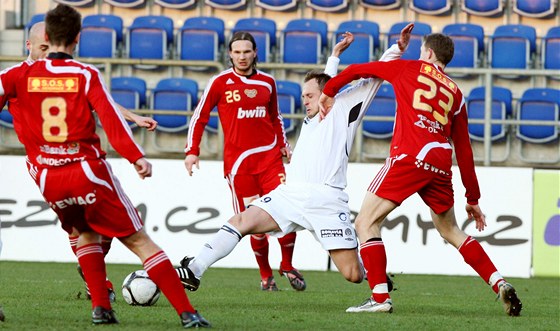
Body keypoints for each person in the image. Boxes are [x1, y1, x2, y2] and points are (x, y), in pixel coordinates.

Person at [0, 4, 209, 327]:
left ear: (49, 37)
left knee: (85, 234)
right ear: (76, 38)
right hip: (85, 169)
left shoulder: (16, 76)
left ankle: (101, 307)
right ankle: (187, 312)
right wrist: (136, 156)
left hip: (46, 176)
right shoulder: (84, 74)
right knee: (140, 240)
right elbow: (109, 119)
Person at [175, 25, 412, 300]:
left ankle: (372, 273)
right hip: (291, 195)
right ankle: (194, 269)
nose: (305, 102)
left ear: (327, 93)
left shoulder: (346, 108)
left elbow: (373, 78)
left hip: (326, 201)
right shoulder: (313, 116)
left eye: (309, 96)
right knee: (241, 220)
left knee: (352, 274)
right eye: (303, 97)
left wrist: (397, 49)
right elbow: (326, 80)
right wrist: (334, 56)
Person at [318, 32, 523, 316]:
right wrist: (473, 197)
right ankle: (498, 281)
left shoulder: (409, 67)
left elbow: (357, 70)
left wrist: (329, 93)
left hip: (409, 155)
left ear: (427, 53)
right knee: (450, 230)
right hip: (440, 161)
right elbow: (464, 149)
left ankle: (379, 299)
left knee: (366, 222)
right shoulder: (456, 94)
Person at [0, 21, 158, 304]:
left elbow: (100, 100)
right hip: (43, 162)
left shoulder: (65, 72)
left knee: (103, 225)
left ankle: (90, 272)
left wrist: (132, 117)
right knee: (82, 226)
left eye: (52, 46)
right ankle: (99, 285)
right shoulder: (17, 77)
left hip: (81, 157)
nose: (49, 52)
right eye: (43, 48)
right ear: (29, 46)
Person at [182, 31, 304, 291]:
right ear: (230, 54)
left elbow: (276, 117)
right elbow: (200, 115)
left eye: (246, 52)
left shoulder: (268, 82)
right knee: (252, 224)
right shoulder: (219, 82)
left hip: (270, 159)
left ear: (255, 52)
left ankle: (287, 264)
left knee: (286, 212)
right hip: (239, 167)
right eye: (236, 52)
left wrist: (283, 145)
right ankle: (265, 275)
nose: (242, 57)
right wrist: (192, 150)